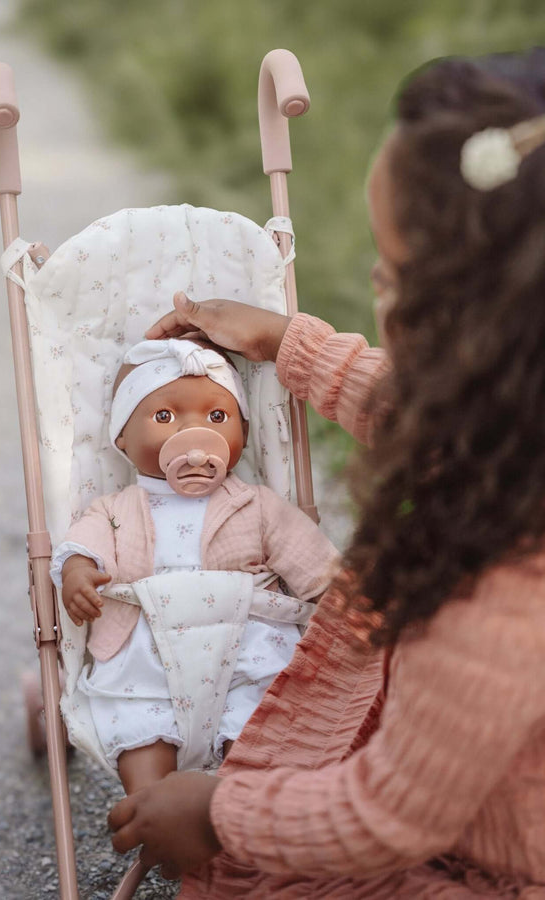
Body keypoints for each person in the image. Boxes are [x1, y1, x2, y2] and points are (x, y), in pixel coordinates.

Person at [106, 49, 545, 897]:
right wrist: (285, 340)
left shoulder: (497, 599)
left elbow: (389, 817)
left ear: (480, 330)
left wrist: (219, 815)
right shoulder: (514, 433)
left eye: (389, 274)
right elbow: (413, 411)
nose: (375, 288)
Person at [50, 337, 339, 797]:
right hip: (146, 659)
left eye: (217, 417)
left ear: (241, 436)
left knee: (261, 723)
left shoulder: (255, 504)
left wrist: (339, 597)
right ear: (123, 437)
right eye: (164, 417)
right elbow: (83, 544)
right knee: (140, 727)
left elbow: (312, 560)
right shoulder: (115, 508)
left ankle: (246, 807)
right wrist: (78, 572)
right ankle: (154, 806)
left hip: (246, 647)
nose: (194, 434)